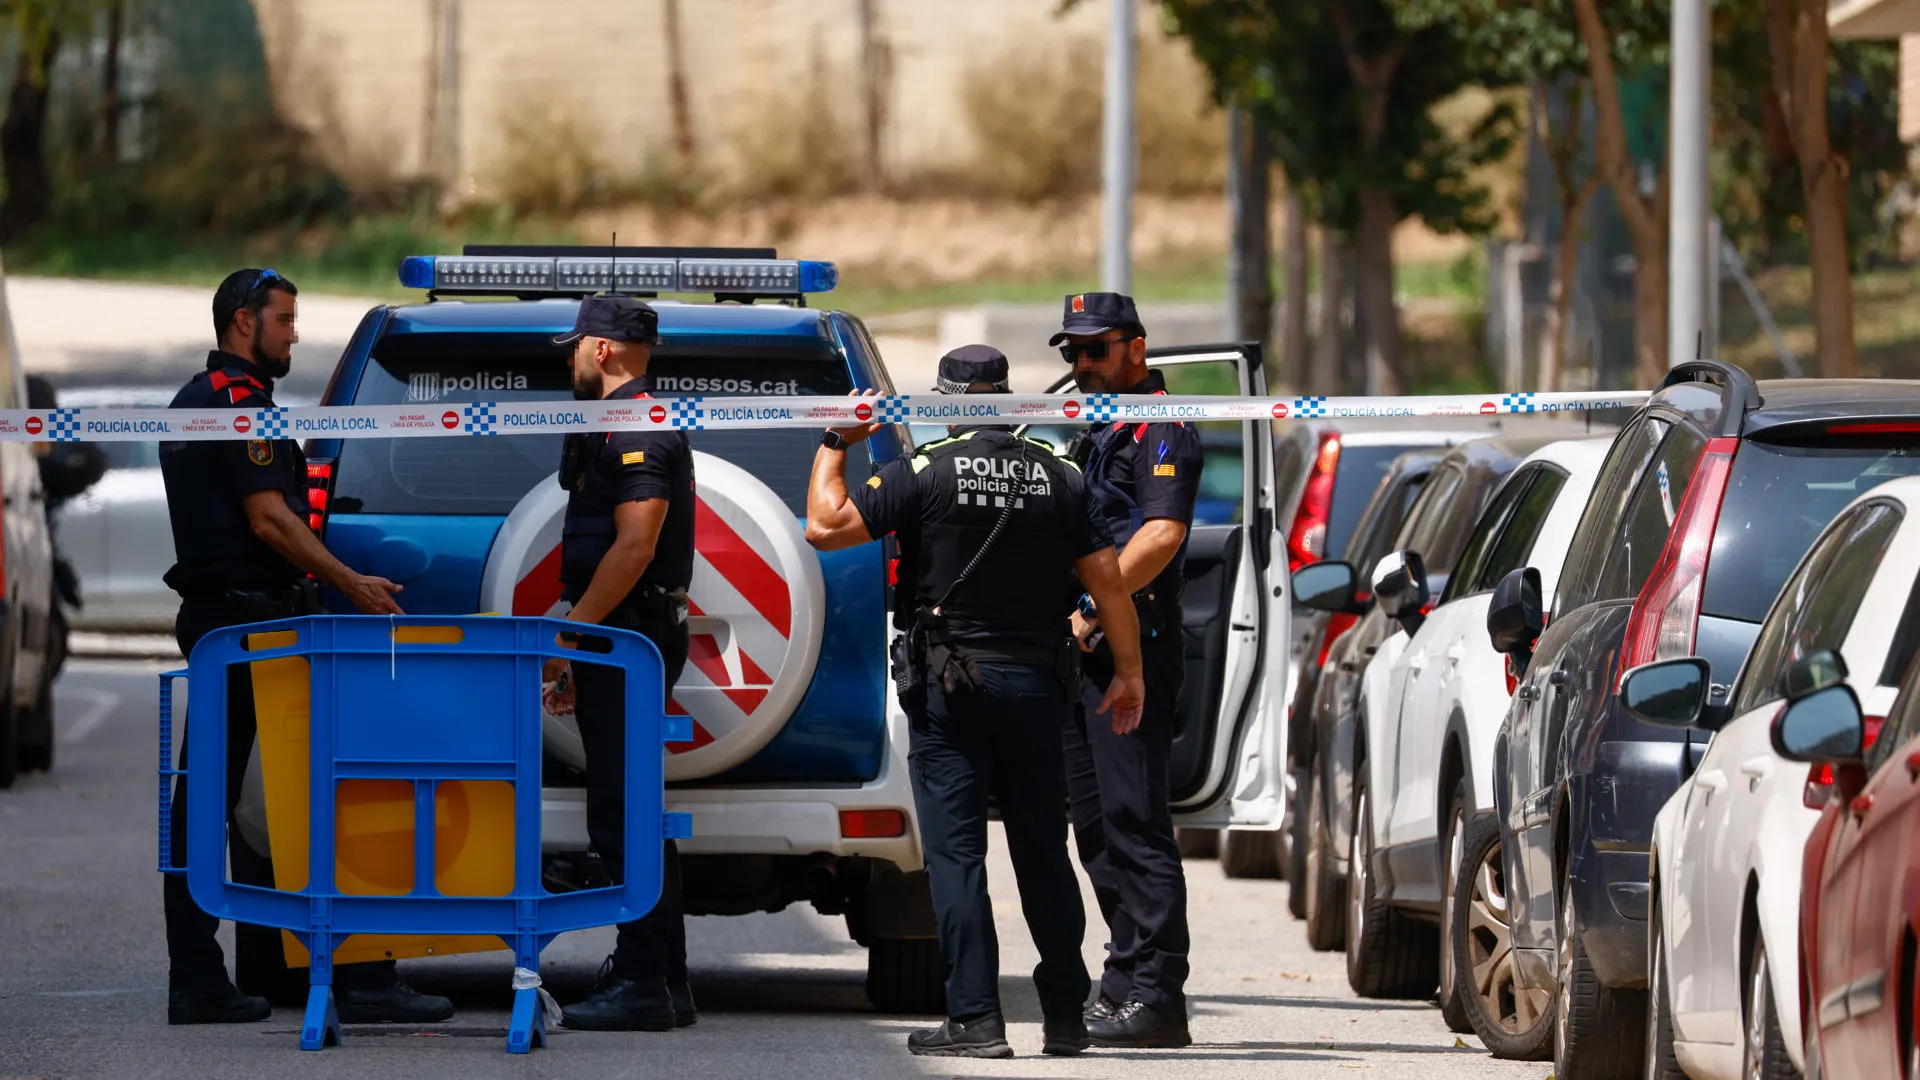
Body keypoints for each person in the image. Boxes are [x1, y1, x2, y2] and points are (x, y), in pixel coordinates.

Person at [803, 344, 1147, 1059]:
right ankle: (1063, 1019)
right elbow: (1110, 583)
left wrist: (836, 442)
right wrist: (1130, 673)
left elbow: (824, 527)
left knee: (958, 857)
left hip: (950, 688)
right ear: (1007, 394)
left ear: (947, 398)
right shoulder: (1062, 476)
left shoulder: (924, 472)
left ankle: (975, 1022)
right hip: (1034, 687)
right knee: (1044, 855)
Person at [160, 268, 450, 1026]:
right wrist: (353, 582)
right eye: (283, 319)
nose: (294, 332)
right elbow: (269, 521)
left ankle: (256, 964)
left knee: (248, 801)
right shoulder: (235, 407)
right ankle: (228, 978)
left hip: (242, 623)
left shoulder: (208, 401)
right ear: (242, 323)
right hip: (247, 626)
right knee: (253, 799)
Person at [539, 294, 696, 1033]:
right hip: (619, 637)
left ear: (601, 351)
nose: (568, 360)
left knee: (624, 815)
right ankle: (664, 976)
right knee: (632, 807)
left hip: (626, 638)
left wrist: (571, 638)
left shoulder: (637, 426)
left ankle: (642, 983)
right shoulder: (612, 422)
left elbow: (634, 547)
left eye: (574, 347)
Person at [1052, 292, 1203, 1048]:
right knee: (1095, 827)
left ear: (1135, 349)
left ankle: (1158, 995)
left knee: (1136, 823)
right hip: (1084, 654)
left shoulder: (1160, 425)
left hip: (1129, 645)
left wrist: (1088, 609)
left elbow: (1163, 534)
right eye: (1072, 353)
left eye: (1095, 351)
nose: (1080, 366)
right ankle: (1122, 979)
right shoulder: (1094, 426)